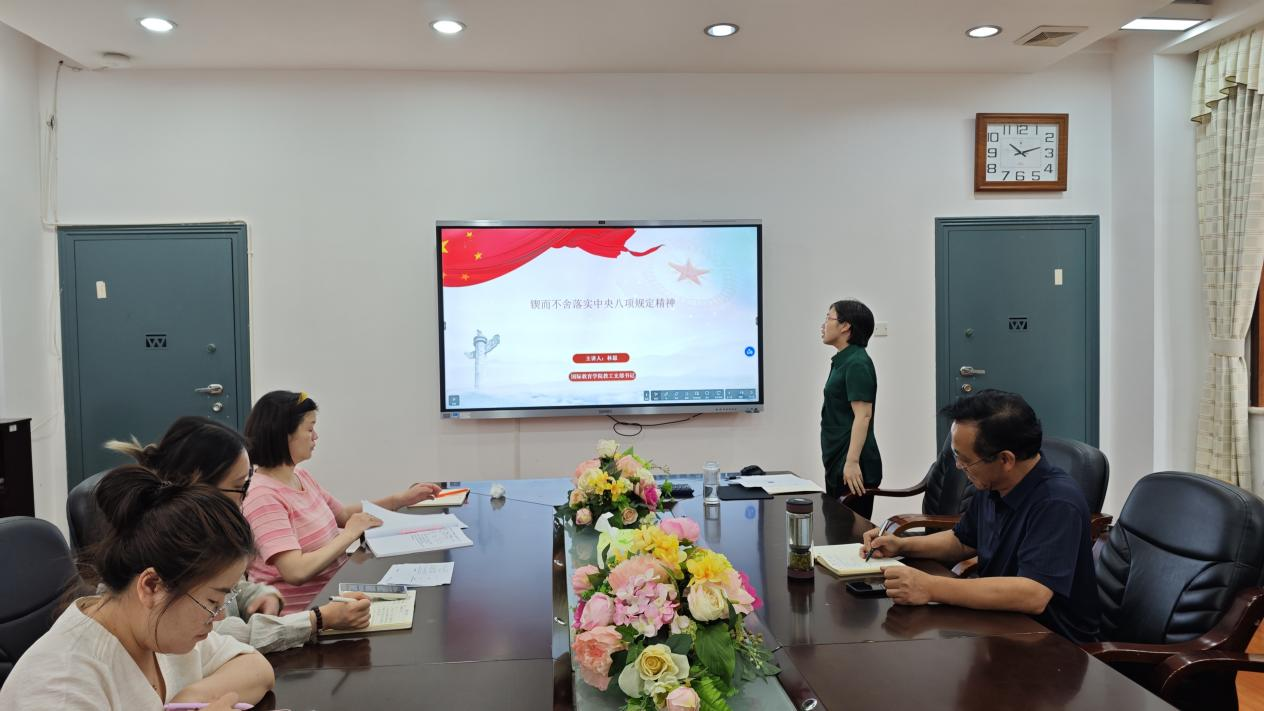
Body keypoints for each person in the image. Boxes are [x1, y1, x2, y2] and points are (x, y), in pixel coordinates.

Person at [0, 467, 274, 710]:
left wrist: (189, 699)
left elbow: (256, 668)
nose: (219, 616)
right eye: (212, 602)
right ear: (152, 586)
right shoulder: (59, 687)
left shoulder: (156, 626)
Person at [108, 416, 373, 651]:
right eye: (240, 487)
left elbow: (230, 589)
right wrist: (317, 619)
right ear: (199, 483)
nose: (246, 498)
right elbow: (216, 639)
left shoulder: (207, 534)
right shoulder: (171, 546)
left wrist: (258, 595)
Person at [860, 390, 1100, 643]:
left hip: (1052, 644)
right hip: (999, 624)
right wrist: (902, 545)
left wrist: (930, 587)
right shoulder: (994, 483)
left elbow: (1033, 594)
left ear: (1005, 459)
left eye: (965, 460)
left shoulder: (1057, 502)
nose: (958, 466)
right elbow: (961, 541)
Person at [242, 390, 442, 613]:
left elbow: (344, 515)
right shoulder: (262, 496)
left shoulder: (300, 476)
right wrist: (349, 534)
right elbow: (296, 571)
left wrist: (400, 499)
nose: (315, 436)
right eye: (309, 429)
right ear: (283, 435)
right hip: (304, 616)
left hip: (333, 596)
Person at [820, 298, 882, 519]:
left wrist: (852, 461)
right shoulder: (843, 360)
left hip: (853, 463)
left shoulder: (857, 363)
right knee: (835, 528)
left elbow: (863, 416)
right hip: (838, 458)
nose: (823, 325)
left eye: (829, 318)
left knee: (849, 533)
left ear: (845, 326)